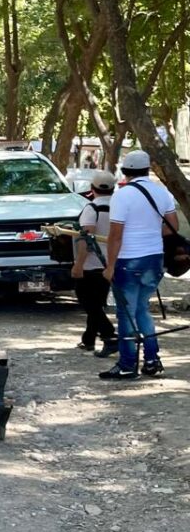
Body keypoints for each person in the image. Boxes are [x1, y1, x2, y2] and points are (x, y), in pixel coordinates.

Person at [101, 150, 177, 379]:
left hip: (129, 259)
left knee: (126, 314)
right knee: (142, 309)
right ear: (148, 169)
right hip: (155, 259)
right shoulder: (161, 192)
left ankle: (127, 364)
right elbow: (171, 226)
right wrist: (151, 231)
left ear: (125, 172)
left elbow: (116, 235)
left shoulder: (122, 196)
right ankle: (152, 360)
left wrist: (110, 265)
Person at [72, 172, 117, 357]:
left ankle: (110, 335)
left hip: (91, 264)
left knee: (89, 303)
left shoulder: (91, 209)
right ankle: (88, 340)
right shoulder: (118, 209)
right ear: (114, 189)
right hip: (109, 263)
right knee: (97, 303)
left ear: (92, 189)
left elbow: (86, 238)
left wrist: (78, 264)